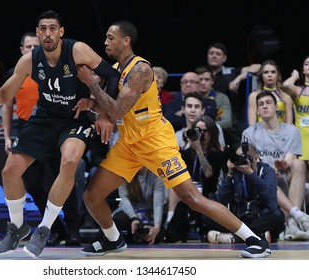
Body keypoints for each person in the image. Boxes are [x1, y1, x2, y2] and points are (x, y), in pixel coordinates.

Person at [74, 20, 271, 258]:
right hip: (129, 142)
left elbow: (116, 110)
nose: (105, 42)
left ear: (126, 41)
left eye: (110, 37)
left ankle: (254, 239)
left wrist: (91, 84)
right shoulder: (117, 69)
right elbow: (111, 107)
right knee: (92, 196)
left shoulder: (140, 70)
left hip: (155, 140)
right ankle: (113, 239)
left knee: (192, 198)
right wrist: (91, 104)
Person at [0, 10, 120, 258]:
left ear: (61, 32)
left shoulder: (77, 51)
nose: (47, 33)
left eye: (52, 28)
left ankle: (44, 229)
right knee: (9, 171)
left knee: (69, 161)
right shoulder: (30, 60)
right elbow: (4, 95)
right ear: (37, 33)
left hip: (74, 117)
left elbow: (113, 75)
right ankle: (17, 227)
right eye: (43, 28)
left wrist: (105, 113)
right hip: (44, 118)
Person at [2, 31, 82, 246]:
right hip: (27, 129)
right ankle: (56, 230)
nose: (32, 51)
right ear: (22, 51)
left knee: (63, 177)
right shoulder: (16, 73)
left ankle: (74, 229)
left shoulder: (52, 69)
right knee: (33, 183)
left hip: (54, 127)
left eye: (35, 47)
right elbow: (7, 106)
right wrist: (7, 136)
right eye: (28, 47)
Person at [242, 91, 309, 240]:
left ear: (276, 107)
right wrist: (270, 171)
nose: (265, 107)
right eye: (261, 104)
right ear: (257, 110)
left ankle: (291, 223)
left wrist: (282, 165)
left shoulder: (292, 131)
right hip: (262, 180)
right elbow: (252, 163)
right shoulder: (249, 133)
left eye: (268, 103)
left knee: (299, 164)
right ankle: (296, 218)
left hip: (283, 175)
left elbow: (291, 158)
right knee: (266, 174)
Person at [205, 143, 285, 244]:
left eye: (244, 158)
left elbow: (271, 201)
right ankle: (258, 235)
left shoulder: (266, 171)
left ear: (255, 158)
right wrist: (229, 175)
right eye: (238, 158)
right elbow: (221, 200)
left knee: (278, 216)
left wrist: (250, 173)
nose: (241, 162)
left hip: (260, 218)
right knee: (208, 215)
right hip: (239, 220)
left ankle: (235, 238)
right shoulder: (235, 172)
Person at [166, 115, 226, 243]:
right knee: (171, 235)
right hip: (189, 197)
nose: (202, 134)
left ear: (212, 133)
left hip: (209, 198)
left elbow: (209, 173)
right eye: (199, 131)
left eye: (205, 131)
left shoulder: (217, 154)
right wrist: (187, 144)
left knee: (207, 226)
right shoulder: (187, 154)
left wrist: (198, 149)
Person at [207, 41, 261, 138]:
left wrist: (238, 78)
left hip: (229, 117)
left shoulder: (230, 72)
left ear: (224, 58)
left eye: (218, 54)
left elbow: (258, 67)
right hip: (207, 114)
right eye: (211, 53)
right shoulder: (202, 75)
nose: (214, 56)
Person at [283, 55, 309, 196]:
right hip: (301, 139)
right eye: (307, 63)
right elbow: (285, 86)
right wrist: (295, 76)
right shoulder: (297, 90)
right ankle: (301, 215)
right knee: (303, 183)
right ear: (302, 69)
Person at [112, 166, 167, 245]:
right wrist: (133, 218)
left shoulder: (157, 173)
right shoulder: (124, 172)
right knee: (119, 219)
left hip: (149, 216)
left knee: (158, 233)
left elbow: (158, 204)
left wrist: (156, 228)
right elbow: (124, 199)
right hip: (129, 215)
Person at [248, 59, 293, 126]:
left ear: (278, 75)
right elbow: (252, 125)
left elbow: (289, 126)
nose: (269, 75)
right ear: (261, 75)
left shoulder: (286, 97)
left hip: (281, 135)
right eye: (266, 72)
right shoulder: (253, 96)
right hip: (261, 134)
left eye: (273, 72)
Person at [195, 65, 233, 130]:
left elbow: (227, 122)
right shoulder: (189, 98)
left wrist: (205, 126)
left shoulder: (222, 98)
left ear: (212, 81)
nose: (203, 83)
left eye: (207, 80)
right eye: (200, 80)